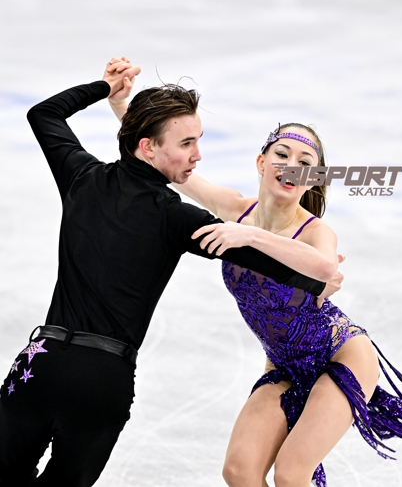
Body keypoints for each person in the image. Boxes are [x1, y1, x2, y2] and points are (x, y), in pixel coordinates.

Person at [0, 59, 342, 487]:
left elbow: (44, 114)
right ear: (148, 148)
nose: (198, 154)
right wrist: (316, 279)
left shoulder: (80, 176)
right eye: (187, 143)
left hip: (40, 365)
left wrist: (105, 89)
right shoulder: (177, 218)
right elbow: (280, 268)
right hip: (102, 383)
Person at [110, 74, 402, 487]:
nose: (291, 167)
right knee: (239, 472)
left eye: (304, 164)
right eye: (282, 155)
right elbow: (169, 162)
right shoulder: (235, 208)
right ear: (261, 163)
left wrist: (249, 236)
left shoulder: (314, 230)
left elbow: (326, 268)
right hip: (282, 363)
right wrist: (121, 107)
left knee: (291, 473)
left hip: (342, 354)